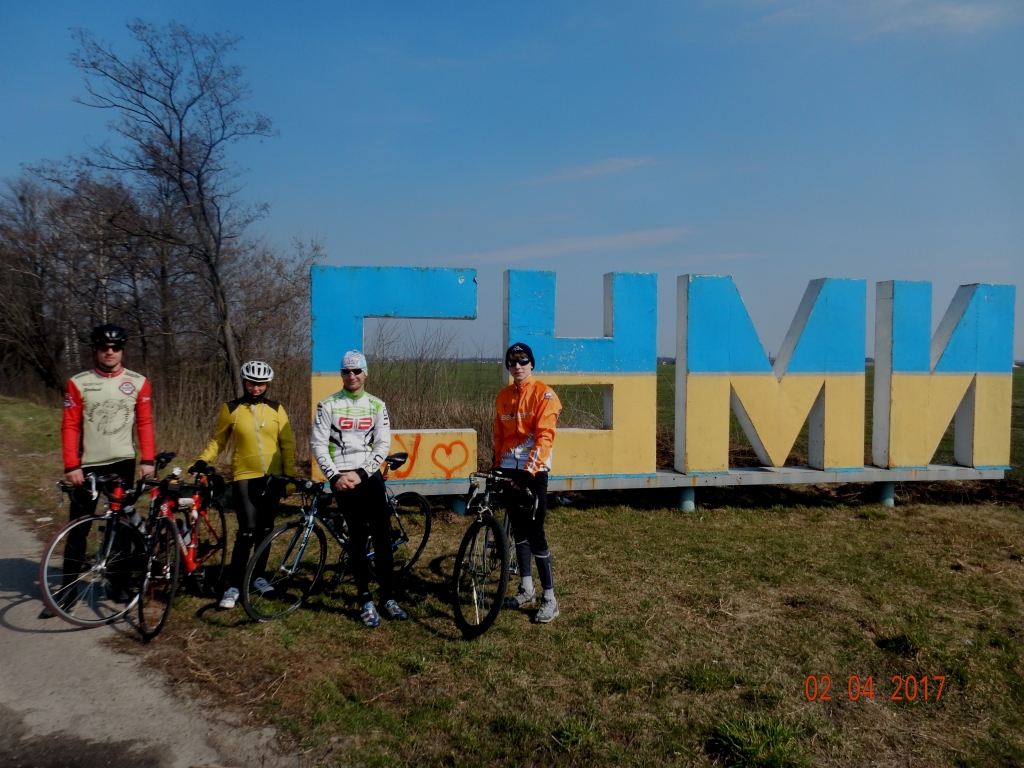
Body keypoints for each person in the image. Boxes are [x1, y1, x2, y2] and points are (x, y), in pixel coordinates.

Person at [48, 323, 156, 617]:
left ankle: (118, 583)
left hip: (124, 461)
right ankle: (68, 589)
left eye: (115, 348)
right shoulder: (79, 382)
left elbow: (144, 422)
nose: (110, 352)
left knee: (122, 525)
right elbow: (70, 425)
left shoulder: (138, 382)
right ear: (96, 350)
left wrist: (148, 459)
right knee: (79, 526)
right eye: (104, 347)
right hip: (88, 464)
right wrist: (71, 464)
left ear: (122, 350)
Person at [310, 350, 407, 627]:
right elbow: (318, 444)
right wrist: (334, 476)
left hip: (368, 474)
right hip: (341, 476)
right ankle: (365, 599)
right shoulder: (327, 405)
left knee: (382, 536)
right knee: (358, 536)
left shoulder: (377, 405)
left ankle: (388, 597)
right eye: (346, 371)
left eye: (357, 371)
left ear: (365, 373)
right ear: (341, 374)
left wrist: (362, 473)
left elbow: (382, 444)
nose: (351, 376)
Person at [190, 360, 295, 610]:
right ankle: (235, 585)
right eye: (251, 383)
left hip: (273, 477)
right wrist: (202, 460)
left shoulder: (277, 409)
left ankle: (258, 576)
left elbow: (288, 444)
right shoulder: (231, 409)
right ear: (244, 382)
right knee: (247, 531)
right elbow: (218, 440)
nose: (256, 388)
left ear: (267, 385)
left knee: (266, 530)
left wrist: (289, 477)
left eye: (261, 384)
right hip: (244, 476)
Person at [493, 341, 563, 623]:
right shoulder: (503, 396)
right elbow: (499, 435)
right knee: (518, 531)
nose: (518, 366)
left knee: (536, 534)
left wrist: (528, 472)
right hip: (509, 469)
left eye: (523, 361)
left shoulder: (545, 394)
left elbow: (545, 437)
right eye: (512, 362)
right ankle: (526, 588)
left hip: (533, 473)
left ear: (532, 364)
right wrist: (496, 466)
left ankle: (550, 599)